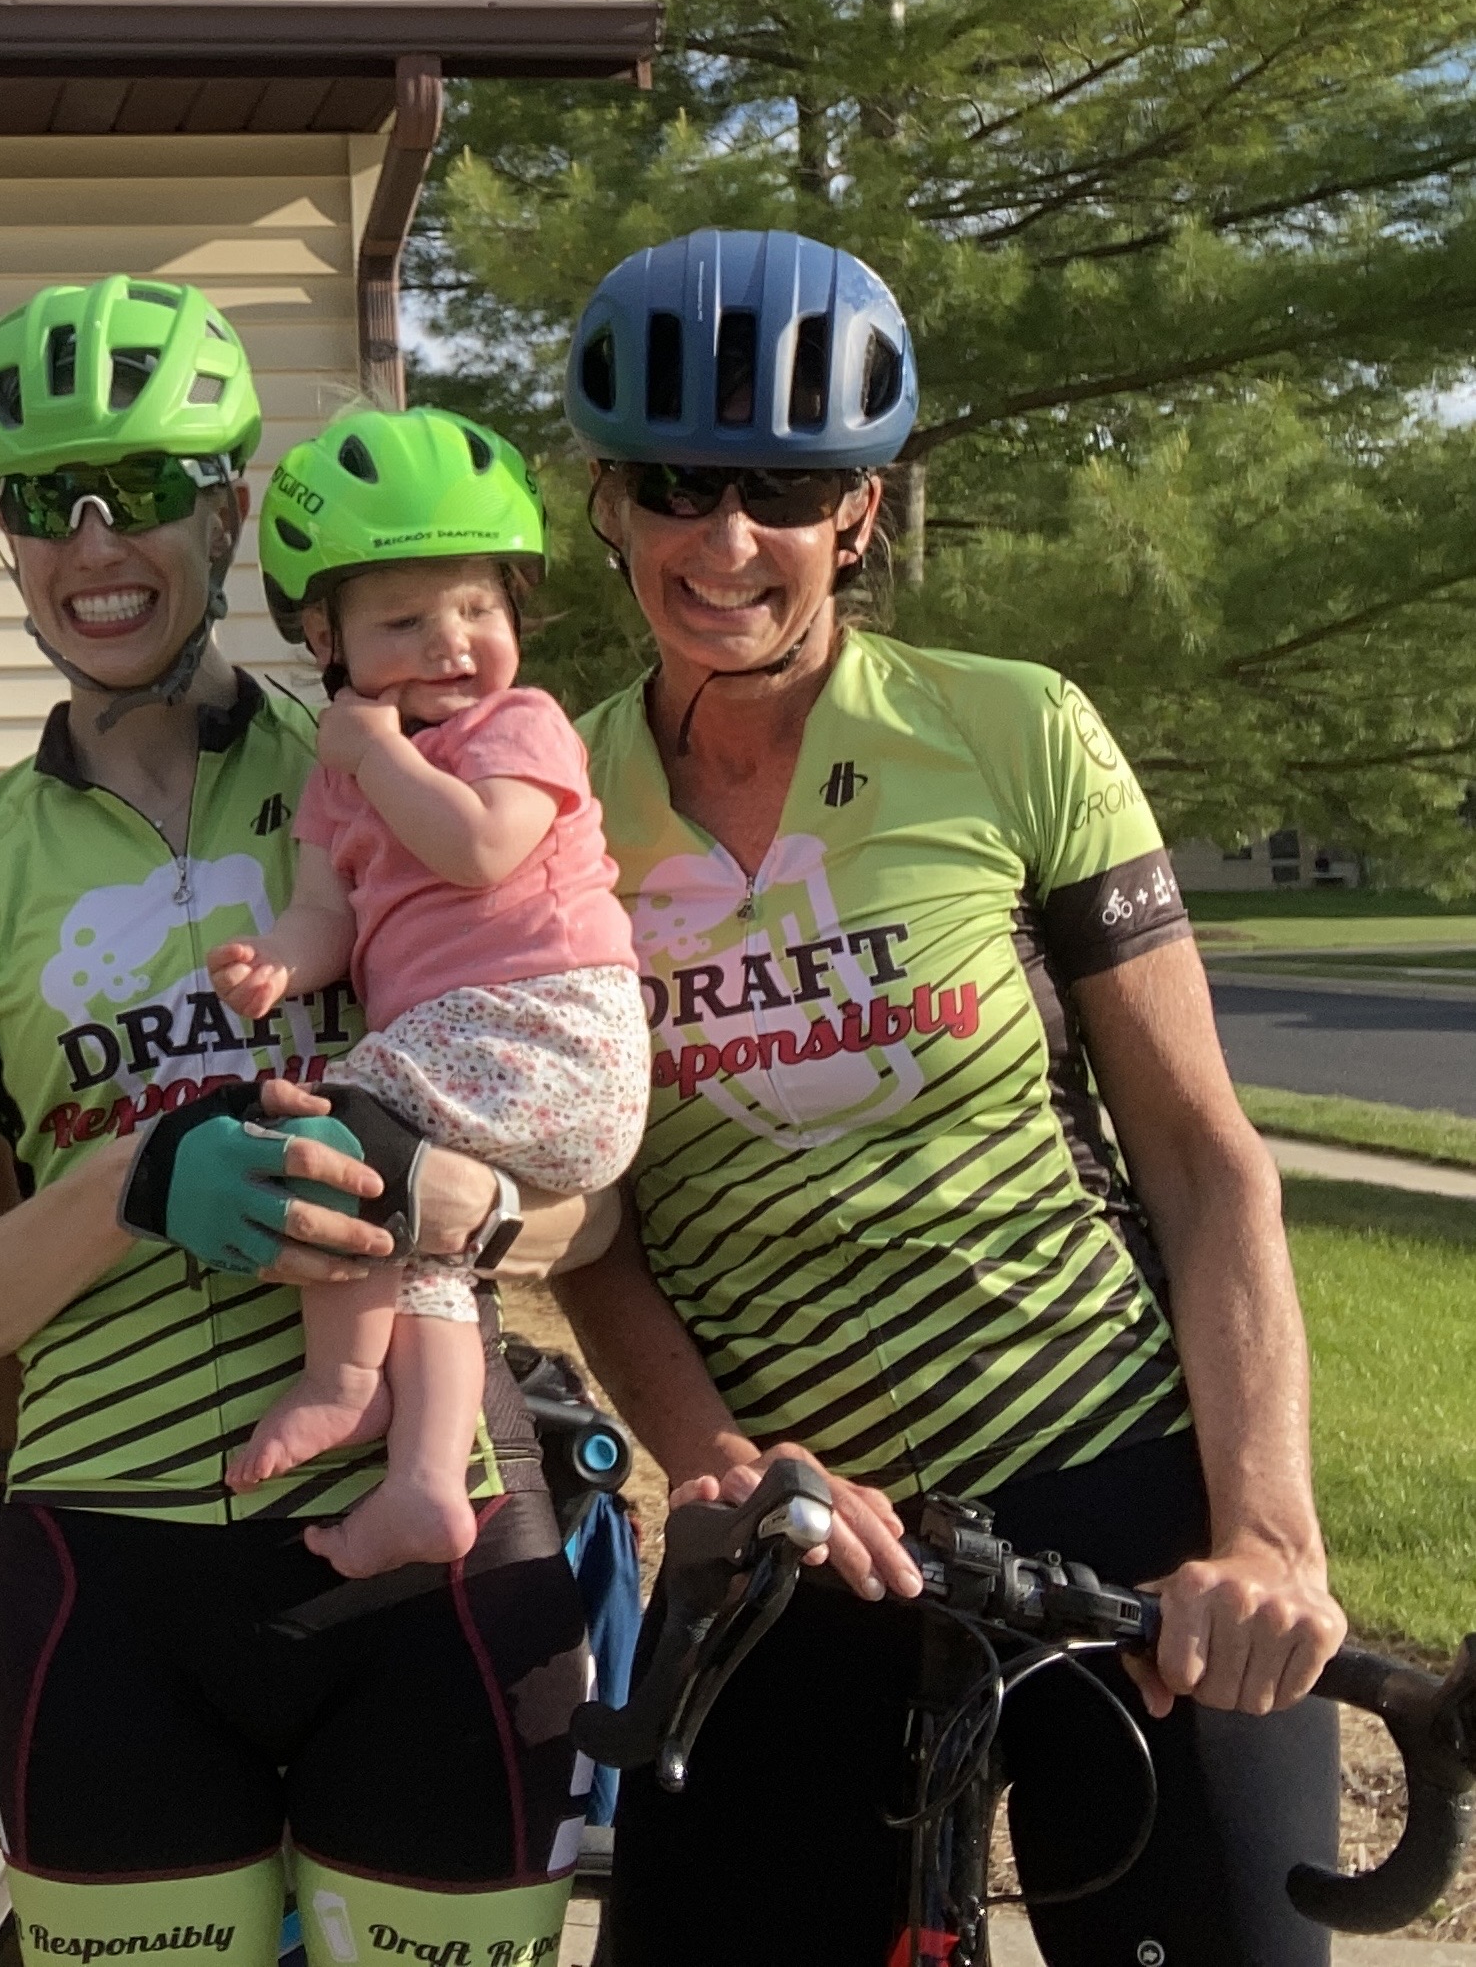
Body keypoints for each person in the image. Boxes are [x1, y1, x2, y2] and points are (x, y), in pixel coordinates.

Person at [549, 229, 1348, 1966]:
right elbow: (595, 1231)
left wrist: (1267, 1537)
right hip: (800, 1524)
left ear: (859, 510)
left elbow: (1204, 1163)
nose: (725, 540)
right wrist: (714, 1461)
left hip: (1110, 1478)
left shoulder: (1014, 732)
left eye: (782, 488)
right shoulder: (553, 803)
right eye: (678, 484)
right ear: (607, 500)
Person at [0, 277, 602, 1967]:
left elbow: (594, 1180)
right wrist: (131, 1182)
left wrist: (462, 1206)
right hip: (107, 1578)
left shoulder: (415, 762)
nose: (93, 541)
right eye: (42, 501)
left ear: (228, 507)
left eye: (138, 486)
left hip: (434, 1542)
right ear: (4, 538)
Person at [204, 405, 647, 1578]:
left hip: (549, 1029)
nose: (451, 643)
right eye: (403, 621)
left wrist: (378, 752)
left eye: (478, 611)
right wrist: (279, 960)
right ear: (324, 635)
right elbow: (329, 916)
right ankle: (425, 1484)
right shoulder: (340, 781)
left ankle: (345, 1379)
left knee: (335, 1134)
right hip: (481, 1051)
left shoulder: (518, 724)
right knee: (424, 1257)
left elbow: (481, 849)